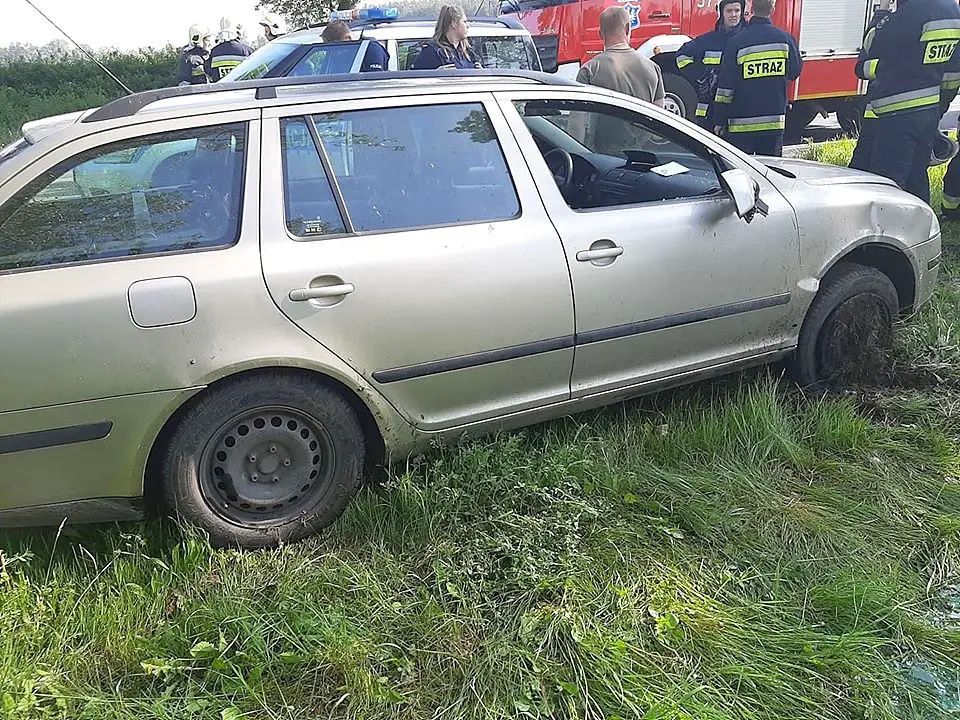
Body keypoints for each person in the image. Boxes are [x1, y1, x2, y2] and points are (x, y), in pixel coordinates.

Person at [850, 0, 960, 202]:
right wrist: (938, 109)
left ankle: (887, 222)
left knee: (887, 184)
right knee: (917, 178)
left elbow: (872, 44)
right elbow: (953, 72)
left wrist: (881, 11)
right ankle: (922, 221)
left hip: (896, 115)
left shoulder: (911, 12)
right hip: (928, 113)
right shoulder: (952, 10)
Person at [712, 0, 801, 156]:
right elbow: (795, 71)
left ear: (751, 9)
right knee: (771, 169)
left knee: (741, 169)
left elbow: (725, 88)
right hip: (773, 124)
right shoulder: (785, 40)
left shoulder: (736, 42)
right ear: (772, 10)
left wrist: (719, 120)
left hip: (741, 126)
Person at [576, 6, 666, 107]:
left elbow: (579, 112)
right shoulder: (653, 68)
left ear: (600, 34)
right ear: (627, 28)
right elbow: (659, 110)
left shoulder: (589, 70)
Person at [675, 0, 747, 126]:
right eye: (729, 11)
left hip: (738, 110)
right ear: (721, 13)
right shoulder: (708, 40)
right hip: (709, 113)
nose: (733, 15)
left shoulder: (748, 40)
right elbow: (681, 56)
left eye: (737, 10)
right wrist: (702, 77)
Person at [412, 5, 482, 69]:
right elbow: (415, 75)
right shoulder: (431, 52)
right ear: (454, 23)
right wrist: (436, 74)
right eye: (465, 21)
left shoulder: (468, 52)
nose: (468, 26)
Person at [321, 19, 391, 71]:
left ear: (348, 38)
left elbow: (374, 81)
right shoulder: (339, 55)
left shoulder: (372, 49)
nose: (337, 52)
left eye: (338, 48)